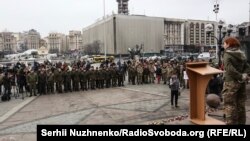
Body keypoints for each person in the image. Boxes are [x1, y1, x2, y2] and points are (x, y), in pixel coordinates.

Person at [222, 37, 250, 125]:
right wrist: (244, 76)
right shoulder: (242, 53)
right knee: (241, 104)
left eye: (224, 43)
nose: (223, 45)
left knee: (229, 104)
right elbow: (247, 66)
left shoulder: (227, 54)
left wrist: (239, 76)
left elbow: (229, 69)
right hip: (241, 83)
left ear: (228, 44)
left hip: (231, 82)